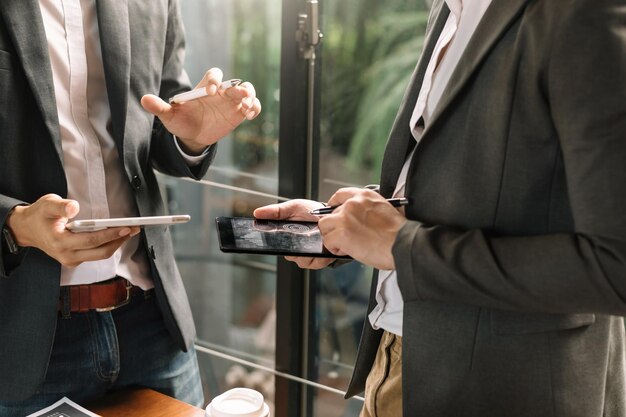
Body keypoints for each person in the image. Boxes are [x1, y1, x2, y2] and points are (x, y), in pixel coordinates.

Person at [254, 0, 626, 416]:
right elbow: (491, 182)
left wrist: (403, 245)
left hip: (506, 389)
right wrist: (350, 225)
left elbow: (615, 266)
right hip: (395, 359)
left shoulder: (582, 12)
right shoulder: (449, 8)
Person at [0, 0, 260, 415]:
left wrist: (192, 139)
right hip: (20, 339)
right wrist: (15, 225)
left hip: (153, 323)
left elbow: (160, 122)